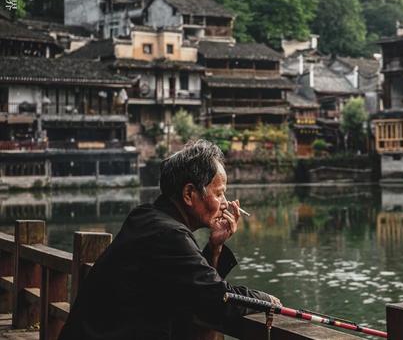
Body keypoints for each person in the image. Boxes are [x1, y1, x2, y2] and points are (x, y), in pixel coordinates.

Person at [59, 140, 279, 340]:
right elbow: (216, 299)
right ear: (189, 194)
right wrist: (266, 300)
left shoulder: (145, 216)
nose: (225, 203)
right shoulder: (168, 235)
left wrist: (215, 247)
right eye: (219, 193)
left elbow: (196, 289)